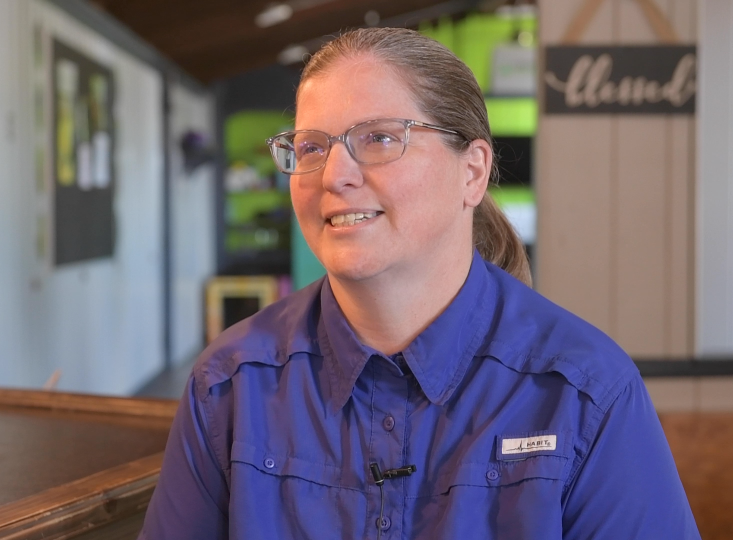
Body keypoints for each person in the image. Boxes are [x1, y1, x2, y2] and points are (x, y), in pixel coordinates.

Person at [139, 27, 700, 539]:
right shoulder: (231, 387)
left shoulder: (583, 392)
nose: (334, 174)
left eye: (379, 138)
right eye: (311, 147)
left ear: (472, 172)